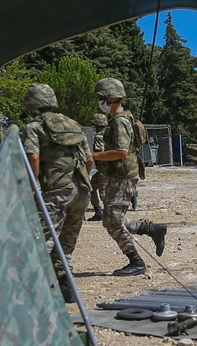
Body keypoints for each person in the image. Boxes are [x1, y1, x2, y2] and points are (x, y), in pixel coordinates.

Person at [21, 84, 92, 303]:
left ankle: (31, 294)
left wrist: (33, 187)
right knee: (65, 243)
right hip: (81, 188)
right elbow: (89, 160)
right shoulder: (73, 125)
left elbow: (32, 157)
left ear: (32, 106)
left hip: (56, 190)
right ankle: (66, 289)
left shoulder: (33, 127)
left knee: (40, 239)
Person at [91, 78, 168, 276]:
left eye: (101, 97)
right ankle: (152, 230)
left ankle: (137, 262)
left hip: (124, 176)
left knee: (114, 222)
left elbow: (121, 152)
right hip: (118, 175)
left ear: (111, 98)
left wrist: (92, 156)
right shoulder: (119, 119)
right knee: (110, 220)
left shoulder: (120, 121)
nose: (98, 102)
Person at [88, 112, 108, 221]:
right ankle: (98, 212)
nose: (93, 126)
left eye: (94, 124)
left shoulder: (99, 136)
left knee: (103, 193)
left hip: (103, 169)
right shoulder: (108, 134)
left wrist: (91, 157)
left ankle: (108, 213)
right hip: (104, 169)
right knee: (92, 188)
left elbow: (101, 152)